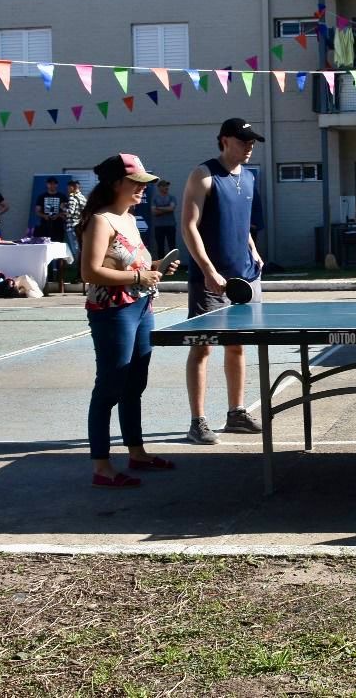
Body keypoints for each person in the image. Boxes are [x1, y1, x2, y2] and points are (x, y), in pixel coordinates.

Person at [79, 153, 180, 488]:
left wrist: (158, 268)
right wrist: (139, 277)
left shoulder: (130, 218)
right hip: (113, 312)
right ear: (115, 183)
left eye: (144, 183)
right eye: (136, 182)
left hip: (141, 307)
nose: (142, 188)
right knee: (110, 385)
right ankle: (101, 465)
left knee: (134, 383)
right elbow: (89, 272)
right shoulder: (100, 221)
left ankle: (136, 452)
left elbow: (134, 265)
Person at [182, 118, 268, 444]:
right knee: (202, 347)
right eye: (244, 140)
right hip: (210, 280)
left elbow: (242, 224)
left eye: (252, 141)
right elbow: (189, 226)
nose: (250, 146)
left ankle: (236, 413)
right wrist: (208, 270)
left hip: (245, 277)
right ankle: (198, 421)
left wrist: (254, 251)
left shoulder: (249, 177)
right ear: (224, 140)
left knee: (237, 345)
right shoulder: (203, 175)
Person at [64, 180, 87, 279]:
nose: (68, 190)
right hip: (80, 227)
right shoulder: (82, 198)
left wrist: (63, 208)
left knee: (76, 250)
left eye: (68, 188)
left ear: (72, 187)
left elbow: (70, 212)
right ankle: (82, 271)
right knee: (80, 249)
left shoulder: (72, 197)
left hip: (72, 226)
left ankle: (79, 272)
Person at [34, 176, 68, 242]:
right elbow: (37, 211)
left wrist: (58, 215)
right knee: (45, 244)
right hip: (45, 226)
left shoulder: (62, 196)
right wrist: (44, 216)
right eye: (50, 184)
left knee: (58, 244)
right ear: (47, 185)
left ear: (57, 185)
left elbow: (66, 211)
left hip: (58, 226)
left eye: (54, 184)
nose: (52, 185)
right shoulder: (42, 196)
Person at [150, 179, 178, 258]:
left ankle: (173, 263)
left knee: (172, 246)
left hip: (170, 225)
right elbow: (154, 212)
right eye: (164, 186)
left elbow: (171, 208)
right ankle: (161, 264)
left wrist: (159, 208)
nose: (167, 187)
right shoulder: (155, 198)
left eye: (167, 186)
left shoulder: (172, 197)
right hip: (159, 226)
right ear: (159, 187)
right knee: (160, 246)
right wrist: (166, 209)